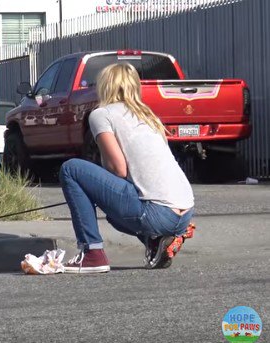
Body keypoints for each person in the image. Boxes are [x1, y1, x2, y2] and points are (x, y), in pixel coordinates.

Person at [60, 62, 195, 274]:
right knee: (114, 216)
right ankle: (157, 241)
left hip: (157, 212)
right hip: (185, 213)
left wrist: (95, 183)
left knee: (71, 169)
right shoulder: (150, 117)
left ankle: (92, 253)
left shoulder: (101, 114)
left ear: (105, 86)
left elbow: (118, 169)